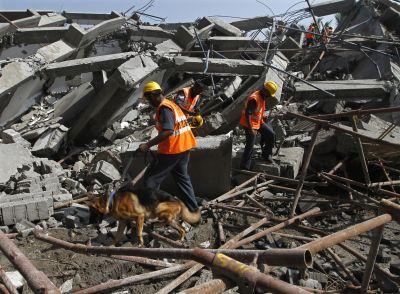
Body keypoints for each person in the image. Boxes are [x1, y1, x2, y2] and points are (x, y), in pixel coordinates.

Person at [138, 81, 199, 212]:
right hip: (184, 148)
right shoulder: (171, 104)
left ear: (153, 96)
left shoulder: (164, 108)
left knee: (151, 181)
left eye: (148, 99)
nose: (149, 102)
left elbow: (168, 131)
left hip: (173, 150)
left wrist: (147, 145)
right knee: (183, 180)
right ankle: (194, 210)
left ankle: (151, 211)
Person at [239, 81, 278, 170]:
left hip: (258, 123)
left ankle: (266, 155)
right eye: (268, 94)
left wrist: (263, 118)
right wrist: (251, 129)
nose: (269, 96)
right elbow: (248, 114)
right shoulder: (254, 99)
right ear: (265, 90)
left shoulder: (262, 97)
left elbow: (258, 111)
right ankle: (244, 167)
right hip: (249, 124)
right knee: (250, 145)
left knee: (271, 134)